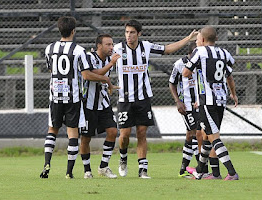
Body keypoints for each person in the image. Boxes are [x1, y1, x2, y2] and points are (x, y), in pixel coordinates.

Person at [114, 19, 198, 178]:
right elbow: (102, 55)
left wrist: (188, 39)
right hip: (124, 99)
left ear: (139, 33)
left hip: (143, 98)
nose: (128, 36)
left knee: (141, 133)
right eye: (126, 32)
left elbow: (167, 49)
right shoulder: (118, 48)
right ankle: (123, 158)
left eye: (132, 32)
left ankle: (142, 169)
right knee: (124, 135)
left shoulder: (146, 46)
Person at [39, 16, 114, 179]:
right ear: (73, 31)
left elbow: (51, 70)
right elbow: (86, 75)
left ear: (59, 29)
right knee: (73, 133)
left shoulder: (49, 48)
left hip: (55, 96)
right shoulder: (79, 50)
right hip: (72, 98)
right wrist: (106, 78)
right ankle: (69, 172)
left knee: (52, 130)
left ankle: (46, 165)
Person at [182, 26, 239, 180]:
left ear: (201, 40)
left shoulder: (199, 52)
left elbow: (185, 73)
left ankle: (232, 172)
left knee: (213, 137)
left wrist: (198, 70)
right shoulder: (224, 53)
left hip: (207, 101)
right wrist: (233, 94)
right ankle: (203, 172)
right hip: (221, 100)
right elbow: (229, 75)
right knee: (207, 137)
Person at [169, 42, 221, 179]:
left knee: (193, 134)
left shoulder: (203, 63)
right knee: (196, 133)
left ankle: (184, 168)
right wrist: (178, 101)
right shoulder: (180, 64)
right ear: (190, 54)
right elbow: (172, 83)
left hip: (201, 104)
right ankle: (201, 168)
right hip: (186, 105)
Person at [79, 34, 121, 179]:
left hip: (103, 103)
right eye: (108, 44)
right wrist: (108, 72)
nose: (111, 47)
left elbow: (102, 77)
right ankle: (87, 170)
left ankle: (103, 166)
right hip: (88, 104)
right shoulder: (89, 57)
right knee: (86, 137)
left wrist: (109, 84)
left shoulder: (110, 59)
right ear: (99, 46)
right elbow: (90, 75)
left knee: (113, 131)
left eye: (112, 44)